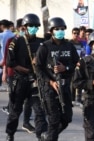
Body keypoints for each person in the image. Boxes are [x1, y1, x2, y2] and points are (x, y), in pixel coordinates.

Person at [35, 17, 79, 141]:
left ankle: (48, 136)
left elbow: (76, 63)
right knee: (54, 120)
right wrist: (50, 82)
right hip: (49, 87)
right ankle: (51, 137)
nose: (60, 31)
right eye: (57, 29)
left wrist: (65, 68)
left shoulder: (69, 46)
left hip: (65, 86)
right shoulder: (45, 46)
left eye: (62, 29)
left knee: (66, 118)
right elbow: (38, 68)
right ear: (51, 31)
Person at [5, 13, 48, 141]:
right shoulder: (17, 41)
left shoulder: (42, 43)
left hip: (35, 82)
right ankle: (10, 134)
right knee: (15, 110)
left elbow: (47, 61)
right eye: (31, 25)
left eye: (36, 26)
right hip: (20, 81)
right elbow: (10, 62)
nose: (33, 28)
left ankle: (41, 134)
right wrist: (27, 70)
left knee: (39, 110)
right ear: (25, 27)